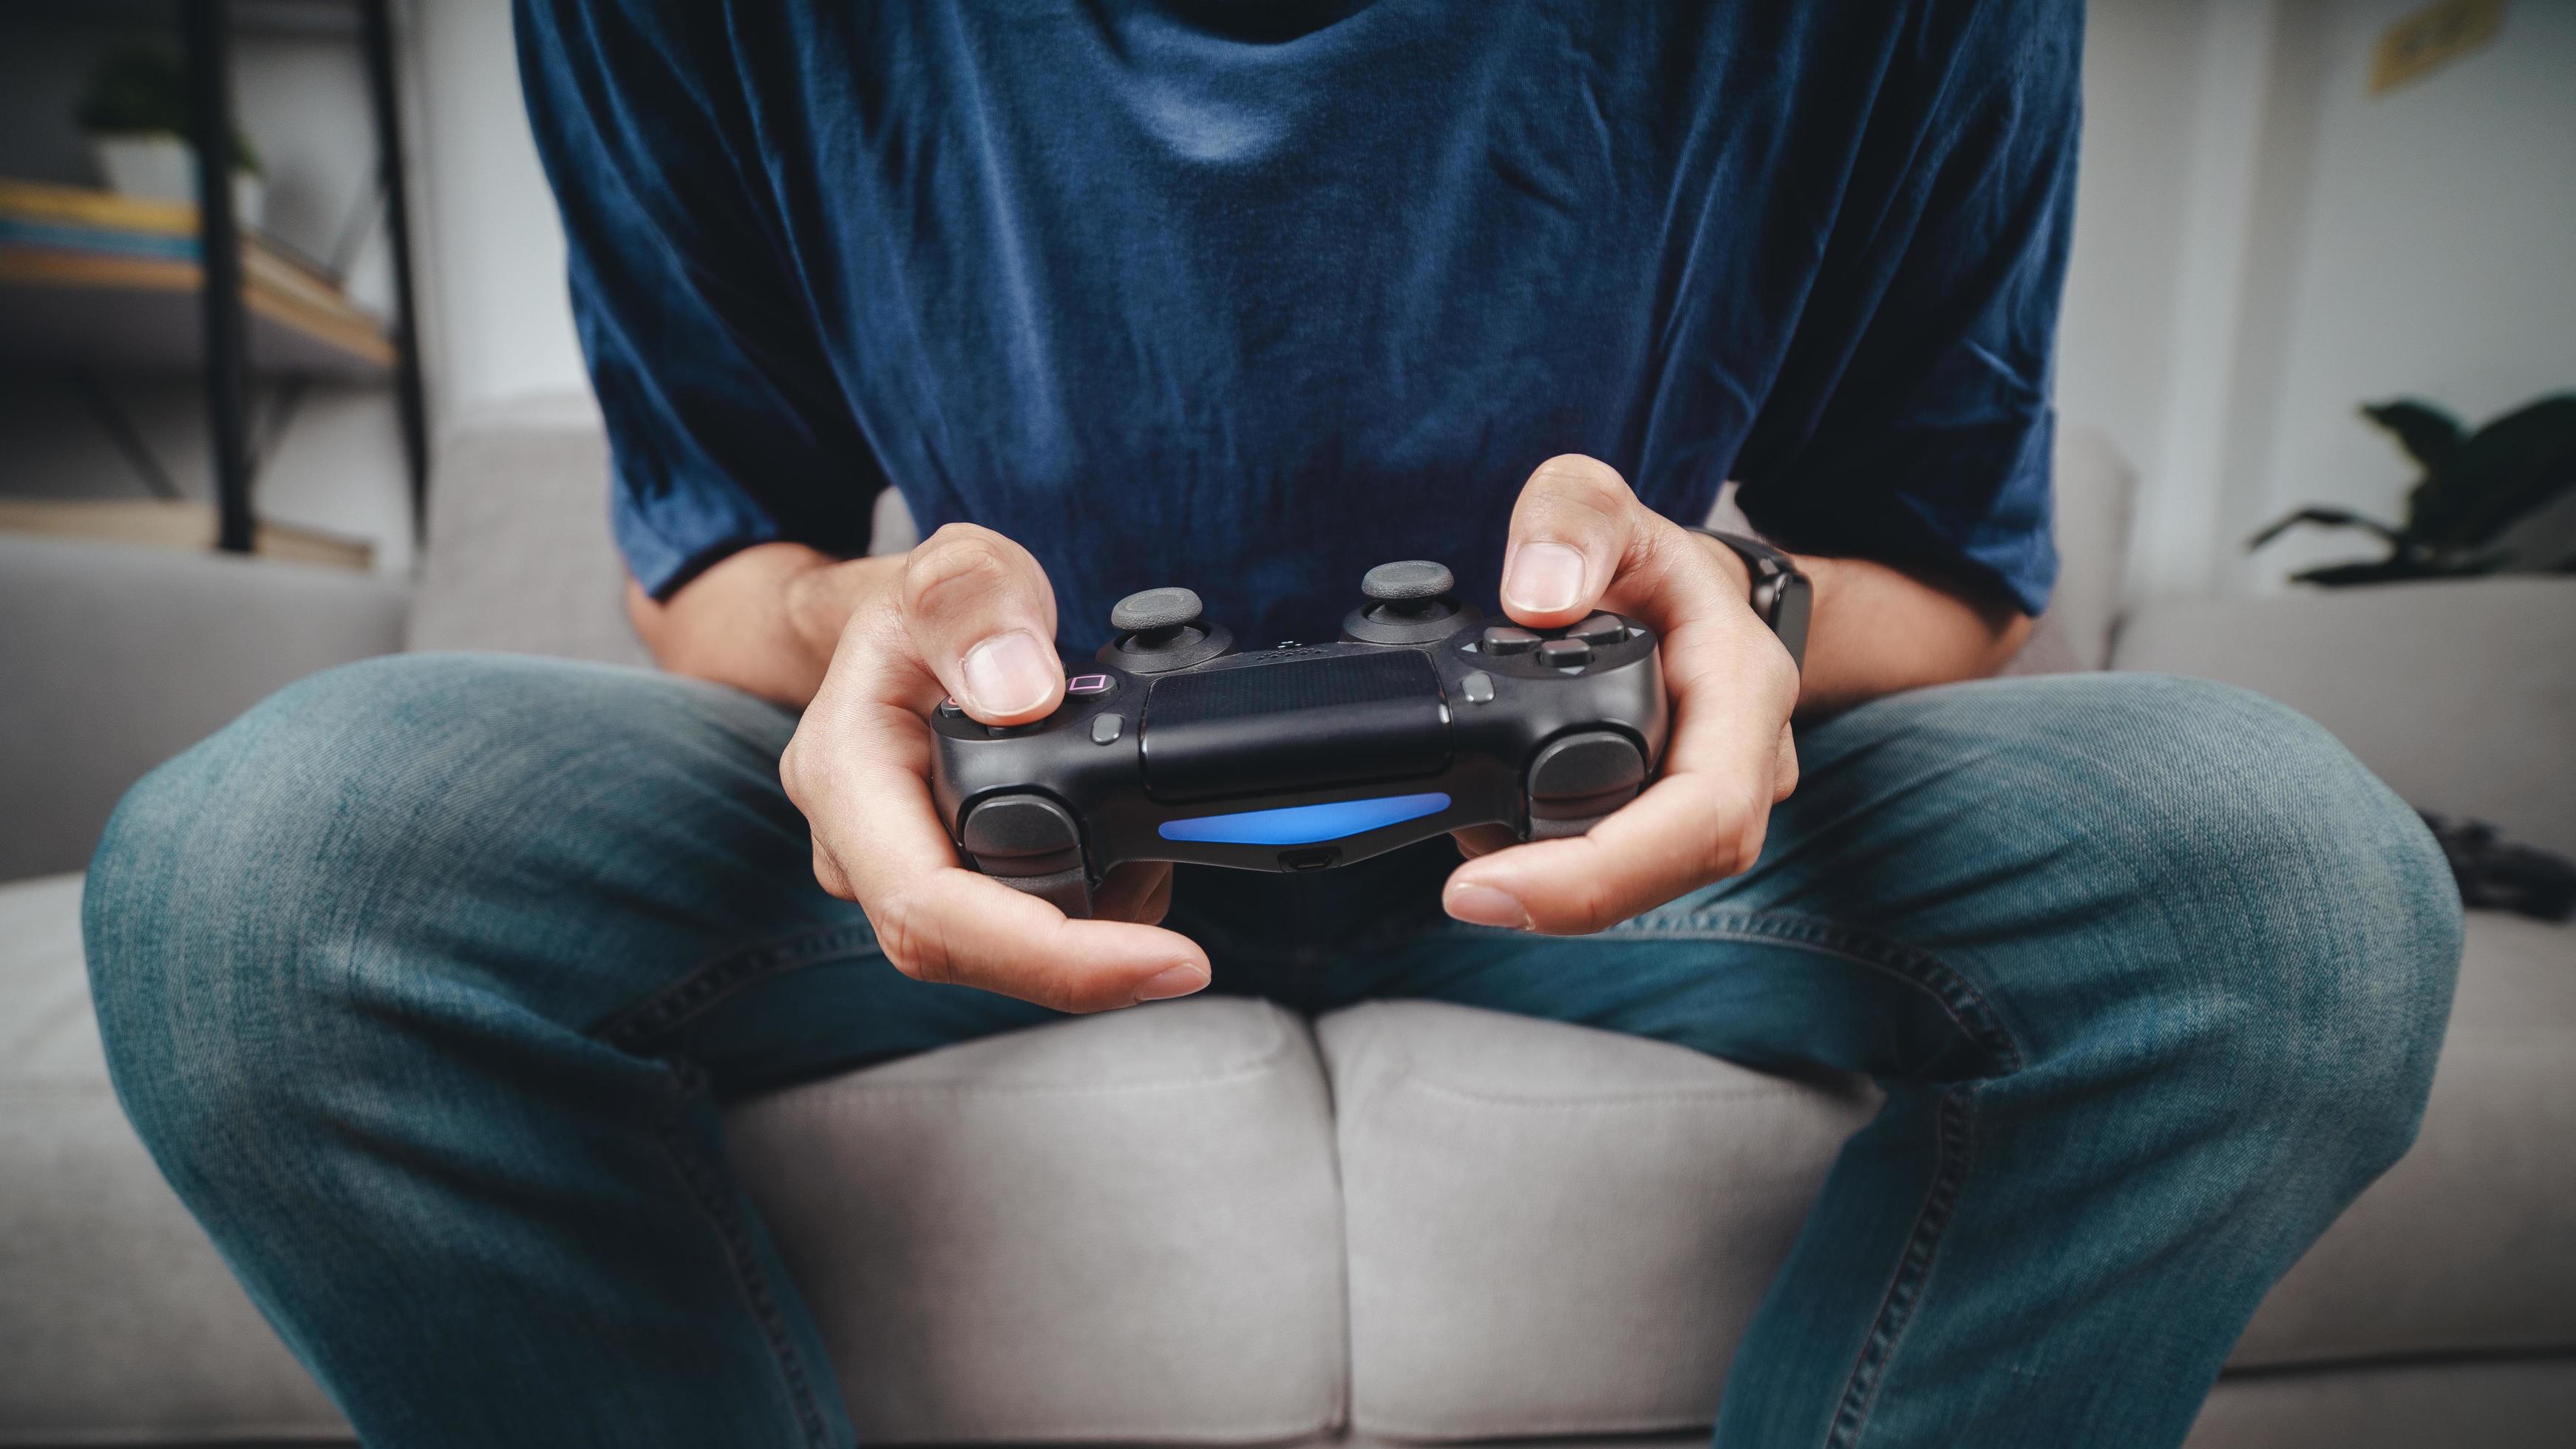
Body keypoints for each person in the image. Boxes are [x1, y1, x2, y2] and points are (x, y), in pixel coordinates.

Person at [81, 4, 2461, 1446]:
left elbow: (1940, 576)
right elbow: (717, 572)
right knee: (260, 886)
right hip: (1003, 803)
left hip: (1604, 804)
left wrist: (1720, 606)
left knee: (2297, 897)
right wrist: (875, 619)